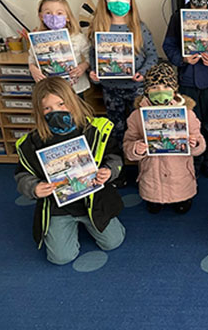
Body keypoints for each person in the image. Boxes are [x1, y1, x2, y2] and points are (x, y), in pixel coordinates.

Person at [14, 77, 125, 265]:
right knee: (61, 257)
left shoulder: (94, 130)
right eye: (47, 108)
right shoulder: (32, 142)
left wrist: (108, 171)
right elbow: (22, 174)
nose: (55, 111)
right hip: (59, 207)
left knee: (113, 242)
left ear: (72, 101)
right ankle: (67, 227)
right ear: (39, 112)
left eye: (61, 104)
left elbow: (114, 157)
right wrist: (33, 188)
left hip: (93, 200)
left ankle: (92, 223)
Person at [163, 0, 208, 176]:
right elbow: (168, 45)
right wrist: (182, 58)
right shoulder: (177, 17)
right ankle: (194, 160)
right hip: (187, 79)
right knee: (190, 123)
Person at [123, 63, 206, 214]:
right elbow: (128, 143)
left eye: (166, 87)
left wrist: (195, 142)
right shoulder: (136, 116)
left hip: (180, 173)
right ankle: (155, 198)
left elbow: (200, 141)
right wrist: (136, 148)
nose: (160, 92)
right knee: (153, 202)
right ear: (146, 90)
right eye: (154, 88)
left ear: (174, 90)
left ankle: (183, 198)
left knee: (181, 202)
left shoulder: (187, 114)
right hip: (151, 173)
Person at [88, 0, 158, 144]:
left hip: (136, 88)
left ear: (130, 1)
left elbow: (152, 55)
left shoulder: (139, 27)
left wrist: (143, 73)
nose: (118, 2)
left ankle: (139, 162)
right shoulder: (98, 28)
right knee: (116, 128)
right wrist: (95, 74)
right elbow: (93, 56)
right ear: (104, 1)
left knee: (140, 128)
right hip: (111, 90)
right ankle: (120, 163)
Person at [28, 0, 91, 96]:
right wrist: (32, 69)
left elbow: (89, 56)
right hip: (50, 89)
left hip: (75, 88)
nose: (54, 16)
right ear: (41, 16)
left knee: (77, 111)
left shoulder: (77, 37)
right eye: (48, 13)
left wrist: (83, 66)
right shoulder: (37, 39)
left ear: (68, 17)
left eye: (59, 13)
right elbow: (32, 58)